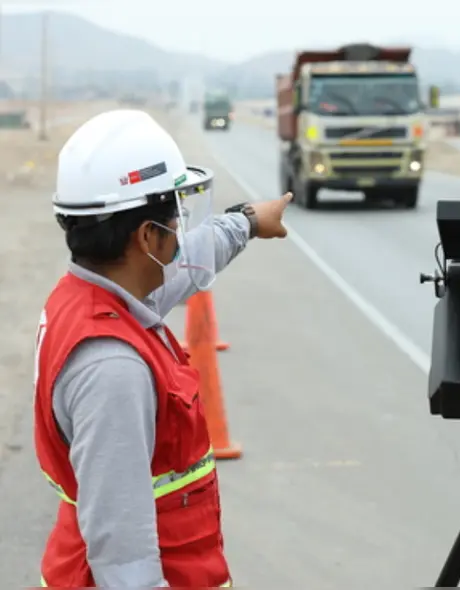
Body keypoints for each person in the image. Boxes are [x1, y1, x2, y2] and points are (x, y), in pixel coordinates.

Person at [32, 109, 293, 587]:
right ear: (147, 236)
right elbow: (122, 550)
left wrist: (249, 222)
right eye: (174, 216)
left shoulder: (97, 295)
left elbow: (190, 258)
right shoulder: (112, 369)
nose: (180, 228)